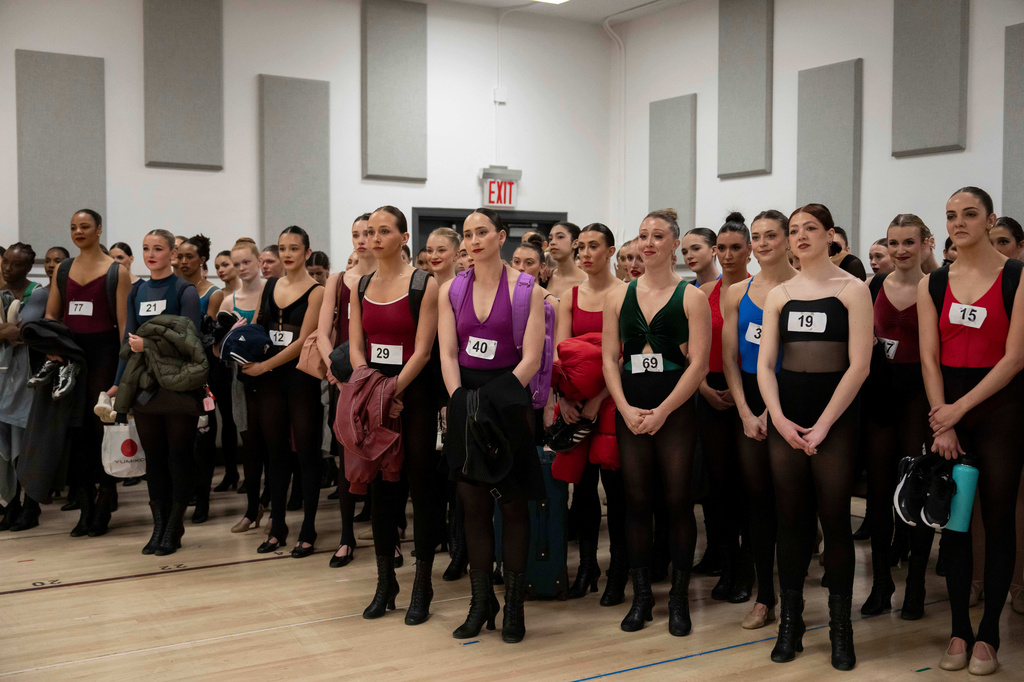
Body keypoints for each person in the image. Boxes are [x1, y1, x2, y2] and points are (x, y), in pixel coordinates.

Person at [757, 203, 871, 671]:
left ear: (830, 236)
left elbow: (860, 365)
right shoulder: (780, 293)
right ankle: (793, 623)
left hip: (837, 416)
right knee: (790, 521)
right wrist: (779, 419)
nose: (801, 236)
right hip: (788, 415)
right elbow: (766, 364)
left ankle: (841, 628)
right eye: (795, 230)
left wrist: (824, 424)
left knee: (834, 518)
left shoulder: (853, 290)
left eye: (810, 229)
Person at [919, 187, 1024, 675]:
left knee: (998, 522)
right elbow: (928, 355)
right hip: (948, 415)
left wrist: (958, 409)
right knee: (955, 525)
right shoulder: (935, 283)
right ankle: (959, 629)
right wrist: (942, 417)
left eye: (968, 214)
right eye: (950, 216)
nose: (958, 222)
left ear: (990, 219)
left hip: (999, 410)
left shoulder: (1017, 276)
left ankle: (990, 635)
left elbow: (1016, 358)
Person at [439, 208, 546, 643]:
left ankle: (515, 607)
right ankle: (482, 602)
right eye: (467, 234)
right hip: (466, 400)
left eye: (482, 231)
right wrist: (460, 399)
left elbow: (532, 359)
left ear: (500, 236)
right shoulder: (451, 289)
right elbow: (448, 353)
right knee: (474, 507)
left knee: (514, 506)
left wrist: (493, 400)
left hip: (508, 402)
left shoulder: (528, 289)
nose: (473, 239)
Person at [603, 208, 711, 636]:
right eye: (643, 235)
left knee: (678, 501)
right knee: (636, 502)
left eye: (658, 236)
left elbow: (699, 364)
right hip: (630, 407)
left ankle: (680, 598)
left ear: (674, 244)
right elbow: (610, 360)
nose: (648, 243)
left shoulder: (692, 297)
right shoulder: (618, 295)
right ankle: (643, 596)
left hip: (676, 409)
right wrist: (625, 409)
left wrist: (664, 410)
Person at [349, 206, 442, 624]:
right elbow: (355, 347)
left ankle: (422, 583)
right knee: (381, 492)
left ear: (404, 237)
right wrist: (375, 391)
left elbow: (423, 350)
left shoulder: (425, 284)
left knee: (421, 489)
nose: (375, 237)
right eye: (370, 231)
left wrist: (393, 391)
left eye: (385, 230)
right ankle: (386, 581)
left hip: (415, 396)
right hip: (376, 398)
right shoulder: (362, 283)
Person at [721, 209, 799, 629]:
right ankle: (763, 597)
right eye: (758, 236)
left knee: (791, 505)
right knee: (758, 503)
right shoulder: (737, 292)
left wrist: (773, 408)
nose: (764, 242)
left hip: (791, 399)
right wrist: (747, 410)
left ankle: (793, 595)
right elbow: (730, 359)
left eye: (772, 235)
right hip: (749, 403)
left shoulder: (802, 289)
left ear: (788, 239)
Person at [861, 214, 936, 621]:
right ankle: (881, 583)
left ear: (926, 243)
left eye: (909, 242)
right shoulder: (872, 286)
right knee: (878, 491)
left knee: (917, 488)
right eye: (894, 243)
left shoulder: (937, 287)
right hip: (880, 393)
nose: (901, 250)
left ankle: (918, 585)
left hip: (920, 397)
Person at [114, 229, 204, 555]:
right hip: (145, 387)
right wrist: (117, 381)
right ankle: (159, 526)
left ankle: (175, 526)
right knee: (154, 459)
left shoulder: (185, 290)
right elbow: (128, 338)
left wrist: (148, 343)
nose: (151, 254)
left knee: (178, 457)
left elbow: (190, 341)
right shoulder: (136, 290)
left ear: (173, 254)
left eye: (158, 249)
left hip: (178, 386)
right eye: (146, 249)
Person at [553, 223, 628, 605]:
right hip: (574, 403)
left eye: (593, 246)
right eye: (580, 246)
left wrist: (600, 398)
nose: (584, 252)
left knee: (614, 492)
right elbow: (561, 352)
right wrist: (564, 400)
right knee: (580, 489)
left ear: (611, 251)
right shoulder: (570, 295)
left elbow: (626, 355)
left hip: (612, 400)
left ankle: (618, 570)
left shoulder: (626, 293)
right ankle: (586, 566)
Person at [45, 209, 131, 538]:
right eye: (73, 228)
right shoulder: (64, 269)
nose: (78, 232)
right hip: (72, 355)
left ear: (98, 230)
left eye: (84, 226)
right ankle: (84, 506)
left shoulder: (116, 271)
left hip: (105, 354)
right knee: (76, 433)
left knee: (102, 430)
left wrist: (122, 376)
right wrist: (52, 344)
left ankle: (106, 497)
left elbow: (125, 328)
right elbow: (53, 315)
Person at [243, 226, 324, 558]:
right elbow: (261, 324)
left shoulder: (317, 291)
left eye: (294, 248)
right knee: (275, 454)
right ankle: (278, 526)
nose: (287, 254)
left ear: (307, 252)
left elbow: (305, 340)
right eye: (282, 248)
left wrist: (265, 366)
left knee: (306, 454)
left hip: (300, 379)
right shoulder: (271, 285)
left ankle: (309, 528)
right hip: (270, 382)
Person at [698, 213, 753, 605]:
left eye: (737, 247)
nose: (729, 255)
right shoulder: (703, 293)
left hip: (750, 391)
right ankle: (727, 564)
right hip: (711, 391)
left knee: (749, 486)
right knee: (717, 487)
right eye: (723, 248)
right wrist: (703, 388)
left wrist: (744, 393)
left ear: (749, 249)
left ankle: (748, 570)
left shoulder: (762, 288)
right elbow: (690, 352)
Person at [317, 214, 375, 568]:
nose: (362, 239)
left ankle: (391, 534)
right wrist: (335, 370)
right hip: (344, 378)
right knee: (346, 455)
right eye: (356, 234)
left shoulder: (394, 280)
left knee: (383, 456)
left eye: (368, 233)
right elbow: (324, 333)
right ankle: (345, 537)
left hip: (380, 377)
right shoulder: (338, 280)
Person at [0, 243, 48, 531]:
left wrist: (9, 332)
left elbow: (25, 330)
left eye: (15, 264)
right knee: (3, 450)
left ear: (28, 268)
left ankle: (31, 506)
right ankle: (10, 504)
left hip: (28, 381)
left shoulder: (38, 293)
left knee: (27, 448)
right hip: (2, 380)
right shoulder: (0, 293)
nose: (7, 268)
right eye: (5, 262)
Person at [218, 239, 266, 523]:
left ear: (259, 261)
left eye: (246, 262)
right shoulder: (229, 301)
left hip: (270, 376)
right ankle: (252, 509)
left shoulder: (273, 292)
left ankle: (272, 501)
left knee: (274, 443)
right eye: (237, 264)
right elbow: (215, 347)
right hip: (240, 379)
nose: (242, 268)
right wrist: (229, 338)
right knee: (249, 443)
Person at [546, 222, 587, 298]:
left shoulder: (587, 282)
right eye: (550, 239)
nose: (552, 242)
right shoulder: (546, 277)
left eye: (560, 237)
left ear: (575, 243)